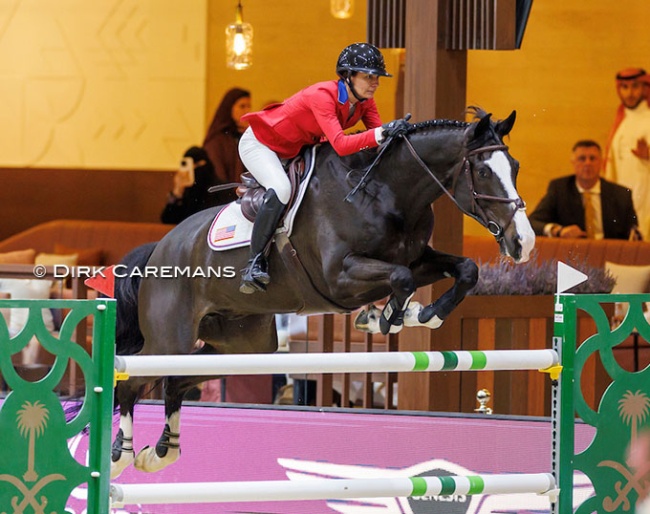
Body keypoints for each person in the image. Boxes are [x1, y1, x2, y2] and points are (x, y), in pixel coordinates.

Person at [237, 42, 410, 294]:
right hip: (262, 144)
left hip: (296, 149)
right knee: (282, 189)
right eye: (368, 76)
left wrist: (397, 136)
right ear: (348, 76)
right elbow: (341, 144)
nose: (375, 83)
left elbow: (377, 141)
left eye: (377, 78)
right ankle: (254, 263)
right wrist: (382, 133)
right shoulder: (322, 95)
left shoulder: (364, 101)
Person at [528, 140, 639, 240]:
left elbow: (634, 233)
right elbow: (532, 222)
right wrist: (557, 230)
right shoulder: (559, 189)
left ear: (601, 162)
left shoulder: (621, 194)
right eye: (582, 159)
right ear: (573, 162)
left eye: (592, 158)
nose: (587, 163)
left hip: (611, 256)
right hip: (573, 256)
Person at [604, 68, 650, 240]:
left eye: (635, 86)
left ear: (645, 88)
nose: (630, 93)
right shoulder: (622, 120)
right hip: (624, 197)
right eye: (624, 87)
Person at [203, 87, 252, 186]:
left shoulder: (247, 137)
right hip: (225, 196)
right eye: (242, 106)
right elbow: (217, 175)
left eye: (249, 106)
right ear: (230, 109)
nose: (247, 111)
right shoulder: (217, 141)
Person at [160, 146, 219, 225]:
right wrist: (177, 192)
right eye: (191, 166)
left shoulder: (219, 189)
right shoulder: (185, 192)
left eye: (198, 165)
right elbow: (167, 220)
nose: (195, 170)